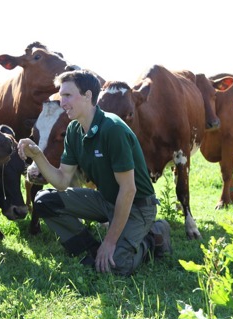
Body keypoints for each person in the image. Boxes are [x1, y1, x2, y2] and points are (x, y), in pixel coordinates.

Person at [17, 69, 172, 276]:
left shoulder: (113, 129)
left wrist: (109, 242)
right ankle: (91, 249)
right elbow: (62, 182)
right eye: (61, 95)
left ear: (88, 95)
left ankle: (154, 236)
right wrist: (37, 155)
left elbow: (128, 190)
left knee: (119, 266)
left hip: (137, 206)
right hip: (105, 200)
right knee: (45, 201)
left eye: (67, 95)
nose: (62, 102)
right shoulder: (73, 131)